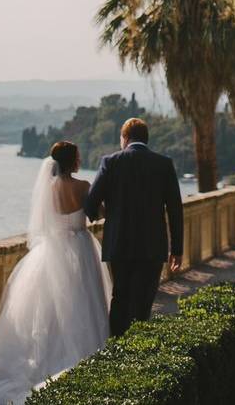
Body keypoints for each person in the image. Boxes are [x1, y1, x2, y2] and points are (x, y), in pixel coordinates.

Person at [0, 141, 112, 405]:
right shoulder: (84, 186)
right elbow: (97, 215)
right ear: (72, 161)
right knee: (83, 303)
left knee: (47, 311)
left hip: (51, 251)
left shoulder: (47, 190)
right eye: (78, 156)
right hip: (81, 250)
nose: (80, 158)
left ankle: (47, 355)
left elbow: (42, 223)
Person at [85, 118, 184, 337]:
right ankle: (137, 353)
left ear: (125, 137)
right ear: (146, 138)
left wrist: (103, 214)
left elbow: (91, 202)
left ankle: (117, 350)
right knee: (143, 303)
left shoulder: (110, 162)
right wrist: (177, 249)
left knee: (120, 298)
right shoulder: (163, 164)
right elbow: (176, 209)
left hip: (119, 243)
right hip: (152, 245)